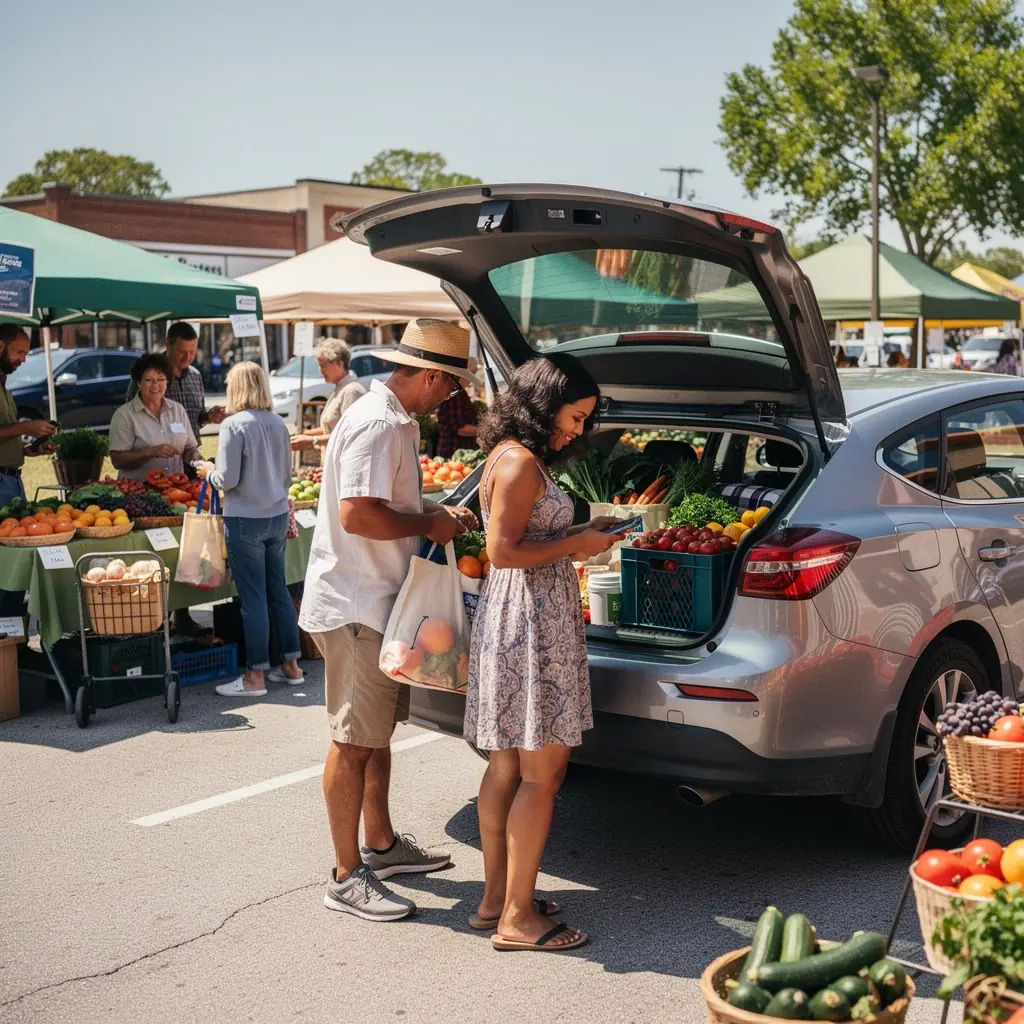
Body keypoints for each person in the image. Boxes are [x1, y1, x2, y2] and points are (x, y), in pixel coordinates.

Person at [299, 318, 481, 922]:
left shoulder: (387, 418)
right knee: (354, 742)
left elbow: (382, 508)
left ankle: (380, 846)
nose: (450, 398)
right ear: (430, 375)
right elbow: (357, 516)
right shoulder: (379, 424)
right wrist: (428, 523)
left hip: (376, 602)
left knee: (375, 736)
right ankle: (346, 876)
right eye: (450, 387)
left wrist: (429, 509)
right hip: (358, 603)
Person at [465, 354, 617, 953]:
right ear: (546, 402)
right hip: (533, 621)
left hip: (514, 615)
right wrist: (579, 540)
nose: (577, 430)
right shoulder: (523, 462)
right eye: (575, 417)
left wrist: (574, 537)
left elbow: (518, 543)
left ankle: (495, 900)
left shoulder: (504, 453)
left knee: (505, 764)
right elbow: (502, 551)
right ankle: (518, 919)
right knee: (542, 774)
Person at [193, 363, 303, 697]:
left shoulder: (233, 425)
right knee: (279, 592)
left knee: (253, 598)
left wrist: (209, 471)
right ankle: (292, 666)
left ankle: (255, 677)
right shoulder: (279, 424)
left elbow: (228, 480)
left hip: (245, 519)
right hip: (276, 515)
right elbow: (287, 476)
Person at [0, 326, 58, 614]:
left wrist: (34, 449)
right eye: (19, 351)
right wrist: (26, 427)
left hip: (11, 481)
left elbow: (7, 443)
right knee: (6, 564)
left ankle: (14, 640)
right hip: (1, 485)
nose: (23, 358)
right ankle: (6, 642)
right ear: (0, 346)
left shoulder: (4, 386)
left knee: (16, 564)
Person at [126, 323, 227, 442]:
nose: (187, 357)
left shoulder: (195, 376)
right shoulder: (147, 374)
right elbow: (132, 415)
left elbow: (197, 418)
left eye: (192, 352)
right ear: (168, 345)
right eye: (182, 352)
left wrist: (208, 417)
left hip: (192, 455)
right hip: (159, 455)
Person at [108, 354, 201, 481]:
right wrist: (150, 452)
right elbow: (117, 461)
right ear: (139, 382)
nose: (155, 385)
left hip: (175, 488)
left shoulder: (177, 410)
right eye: (149, 380)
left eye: (161, 379)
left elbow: (190, 447)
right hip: (139, 491)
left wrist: (195, 456)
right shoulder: (124, 415)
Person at [290, 338, 367, 454]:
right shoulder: (339, 389)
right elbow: (331, 429)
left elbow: (350, 435)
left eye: (323, 366)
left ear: (339, 364)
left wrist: (313, 440)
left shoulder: (352, 391)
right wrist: (303, 434)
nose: (320, 371)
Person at [435, 383, 478, 460]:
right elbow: (460, 429)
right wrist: (487, 431)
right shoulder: (454, 394)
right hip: (452, 455)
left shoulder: (459, 392)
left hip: (458, 456)